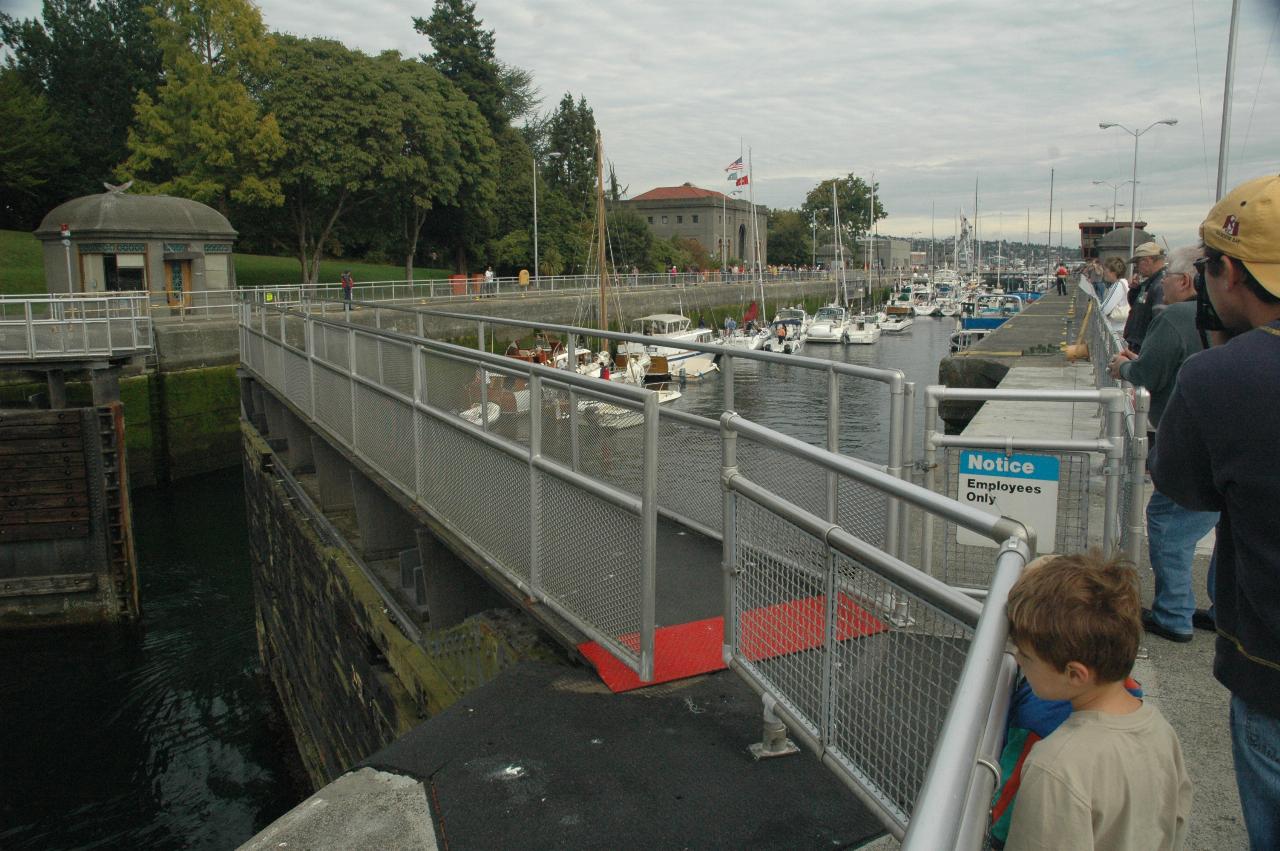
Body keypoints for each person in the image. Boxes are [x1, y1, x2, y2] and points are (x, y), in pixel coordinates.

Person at [1151, 173, 1280, 849]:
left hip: (1271, 671)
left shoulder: (1222, 376)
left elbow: (1183, 486)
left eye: (1204, 267)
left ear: (1230, 270)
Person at [1003, 552, 1191, 850]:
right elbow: (1175, 821)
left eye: (1026, 656)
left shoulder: (1054, 764)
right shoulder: (1162, 731)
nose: (1019, 663)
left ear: (1075, 674)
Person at [1108, 246, 1218, 641]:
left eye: (1167, 275)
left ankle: (1173, 614)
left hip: (1189, 440)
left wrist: (1123, 365)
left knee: (1167, 524)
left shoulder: (1174, 317)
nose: (1160, 285)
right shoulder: (1224, 321)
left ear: (1185, 281)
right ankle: (1222, 607)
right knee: (1227, 525)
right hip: (1223, 442)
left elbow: (1148, 375)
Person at [1122, 242, 1167, 352]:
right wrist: (1134, 290)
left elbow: (1159, 322)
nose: (1136, 267)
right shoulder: (1150, 283)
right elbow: (1138, 307)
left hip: (1144, 348)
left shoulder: (1160, 284)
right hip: (1139, 345)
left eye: (1137, 263)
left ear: (1147, 260)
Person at [1098, 256, 1129, 322]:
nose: (1104, 272)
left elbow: (1104, 310)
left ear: (1113, 272)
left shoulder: (1118, 284)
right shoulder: (1123, 282)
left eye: (1105, 270)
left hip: (1117, 329)